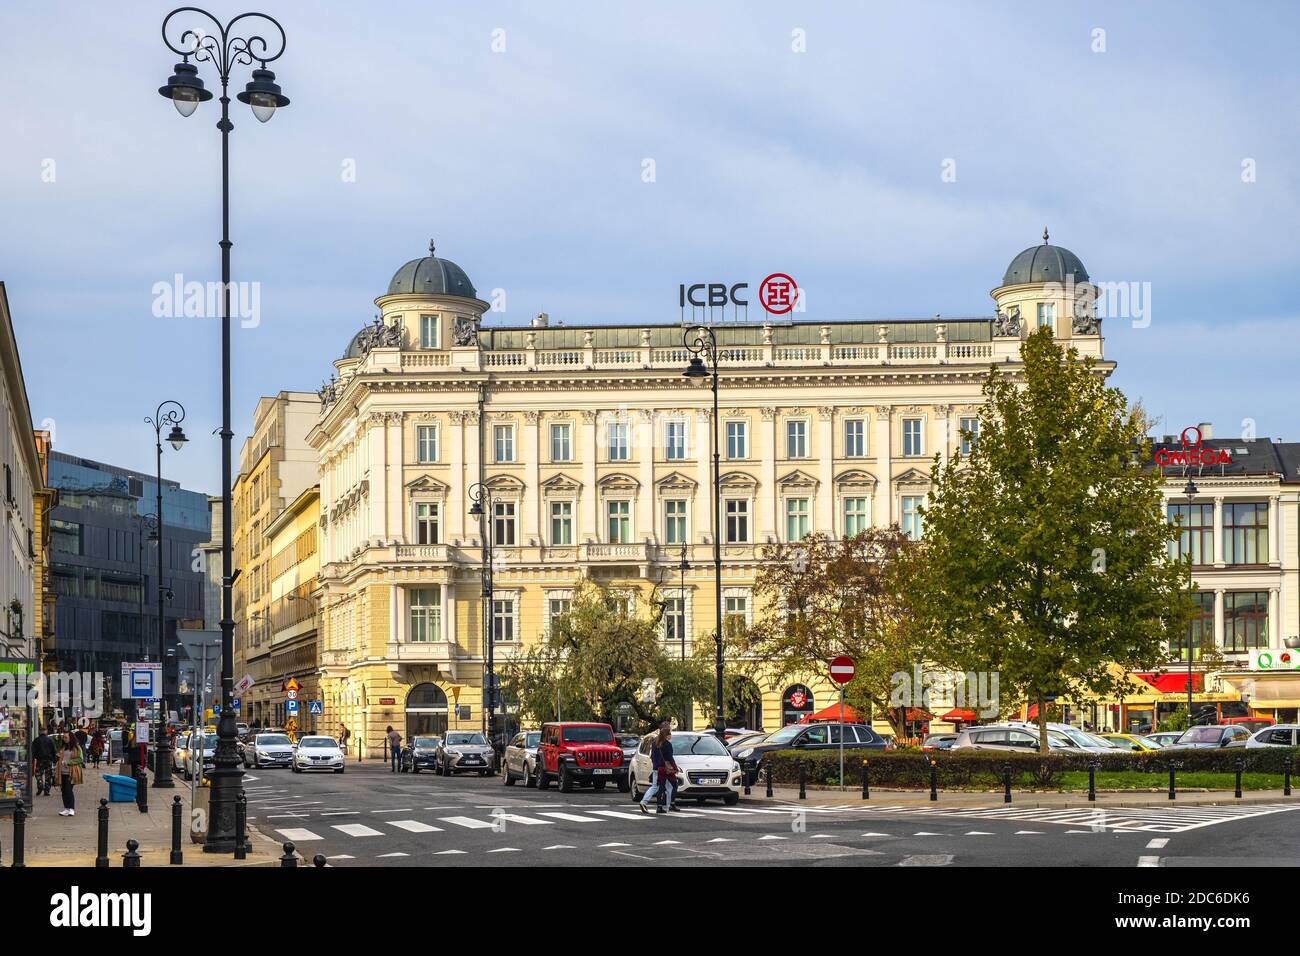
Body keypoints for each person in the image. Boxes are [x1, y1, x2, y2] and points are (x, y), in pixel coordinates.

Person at [639, 721, 680, 815]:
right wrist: (675, 768)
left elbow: (652, 756)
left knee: (661, 787)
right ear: (667, 734)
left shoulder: (655, 742)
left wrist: (655, 765)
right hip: (663, 769)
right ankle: (647, 802)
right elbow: (670, 758)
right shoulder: (667, 744)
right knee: (665, 787)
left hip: (656, 768)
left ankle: (663, 806)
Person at [56, 730, 84, 817]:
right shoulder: (63, 747)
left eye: (66, 737)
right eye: (63, 737)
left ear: (71, 738)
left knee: (68, 790)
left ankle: (71, 808)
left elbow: (80, 759)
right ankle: (66, 808)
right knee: (63, 791)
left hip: (72, 772)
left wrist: (68, 762)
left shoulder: (76, 748)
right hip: (62, 772)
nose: (64, 739)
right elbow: (58, 756)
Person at [31, 727, 57, 796]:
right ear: (46, 732)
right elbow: (54, 750)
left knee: (38, 774)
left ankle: (40, 784)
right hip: (49, 760)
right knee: (48, 776)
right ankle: (47, 791)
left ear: (40, 732)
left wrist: (32, 760)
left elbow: (33, 751)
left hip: (40, 760)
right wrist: (55, 760)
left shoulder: (36, 740)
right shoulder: (50, 740)